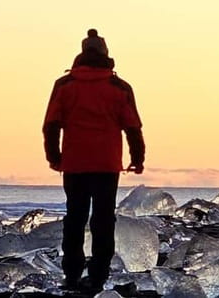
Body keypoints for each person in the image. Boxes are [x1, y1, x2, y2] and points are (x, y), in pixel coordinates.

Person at [42, 28, 146, 292]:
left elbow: (51, 125)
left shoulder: (65, 85)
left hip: (75, 163)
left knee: (75, 219)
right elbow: (133, 127)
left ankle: (72, 275)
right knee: (103, 220)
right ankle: (98, 276)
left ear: (82, 53)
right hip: (106, 165)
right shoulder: (119, 87)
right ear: (105, 53)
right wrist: (137, 158)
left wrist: (54, 156)